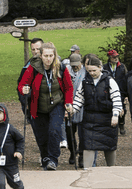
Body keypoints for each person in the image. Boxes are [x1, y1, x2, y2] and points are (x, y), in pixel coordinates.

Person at [17, 41, 73, 170]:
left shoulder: (61, 68)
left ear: (54, 55)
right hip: (38, 106)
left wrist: (69, 103)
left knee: (54, 130)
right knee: (41, 135)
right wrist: (24, 89)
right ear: (41, 56)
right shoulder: (33, 67)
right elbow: (22, 84)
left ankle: (53, 159)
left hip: (56, 104)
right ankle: (45, 157)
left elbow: (69, 87)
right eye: (46, 56)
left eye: (51, 56)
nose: (48, 59)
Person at [71, 54, 121, 166]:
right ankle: (87, 171)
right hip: (90, 120)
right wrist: (72, 110)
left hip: (107, 120)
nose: (92, 73)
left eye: (94, 70)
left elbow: (117, 99)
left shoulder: (110, 81)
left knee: (109, 147)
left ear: (100, 67)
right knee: (88, 146)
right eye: (89, 71)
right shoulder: (85, 82)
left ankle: (111, 169)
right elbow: (79, 99)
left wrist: (115, 114)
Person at [65, 53, 86, 167]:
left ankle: (82, 155)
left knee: (83, 133)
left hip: (82, 108)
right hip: (69, 106)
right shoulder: (66, 71)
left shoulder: (85, 72)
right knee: (69, 133)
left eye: (76, 65)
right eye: (73, 65)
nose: (75, 67)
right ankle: (73, 152)